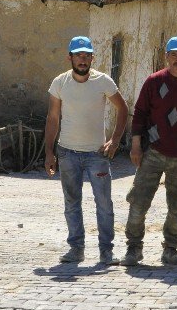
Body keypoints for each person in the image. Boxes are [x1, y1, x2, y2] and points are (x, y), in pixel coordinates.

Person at [121, 36, 177, 267]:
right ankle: (133, 248)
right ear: (166, 56)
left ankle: (170, 249)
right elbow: (139, 115)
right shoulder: (153, 82)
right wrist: (136, 146)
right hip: (153, 152)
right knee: (138, 202)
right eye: (175, 55)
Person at [45, 36, 129, 265]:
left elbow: (123, 109)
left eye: (86, 55)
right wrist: (49, 153)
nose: (82, 59)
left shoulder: (103, 81)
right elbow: (53, 119)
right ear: (70, 57)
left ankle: (106, 251)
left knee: (104, 204)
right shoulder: (60, 83)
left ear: (92, 57)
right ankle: (76, 249)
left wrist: (115, 140)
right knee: (72, 203)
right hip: (67, 152)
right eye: (78, 55)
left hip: (97, 155)